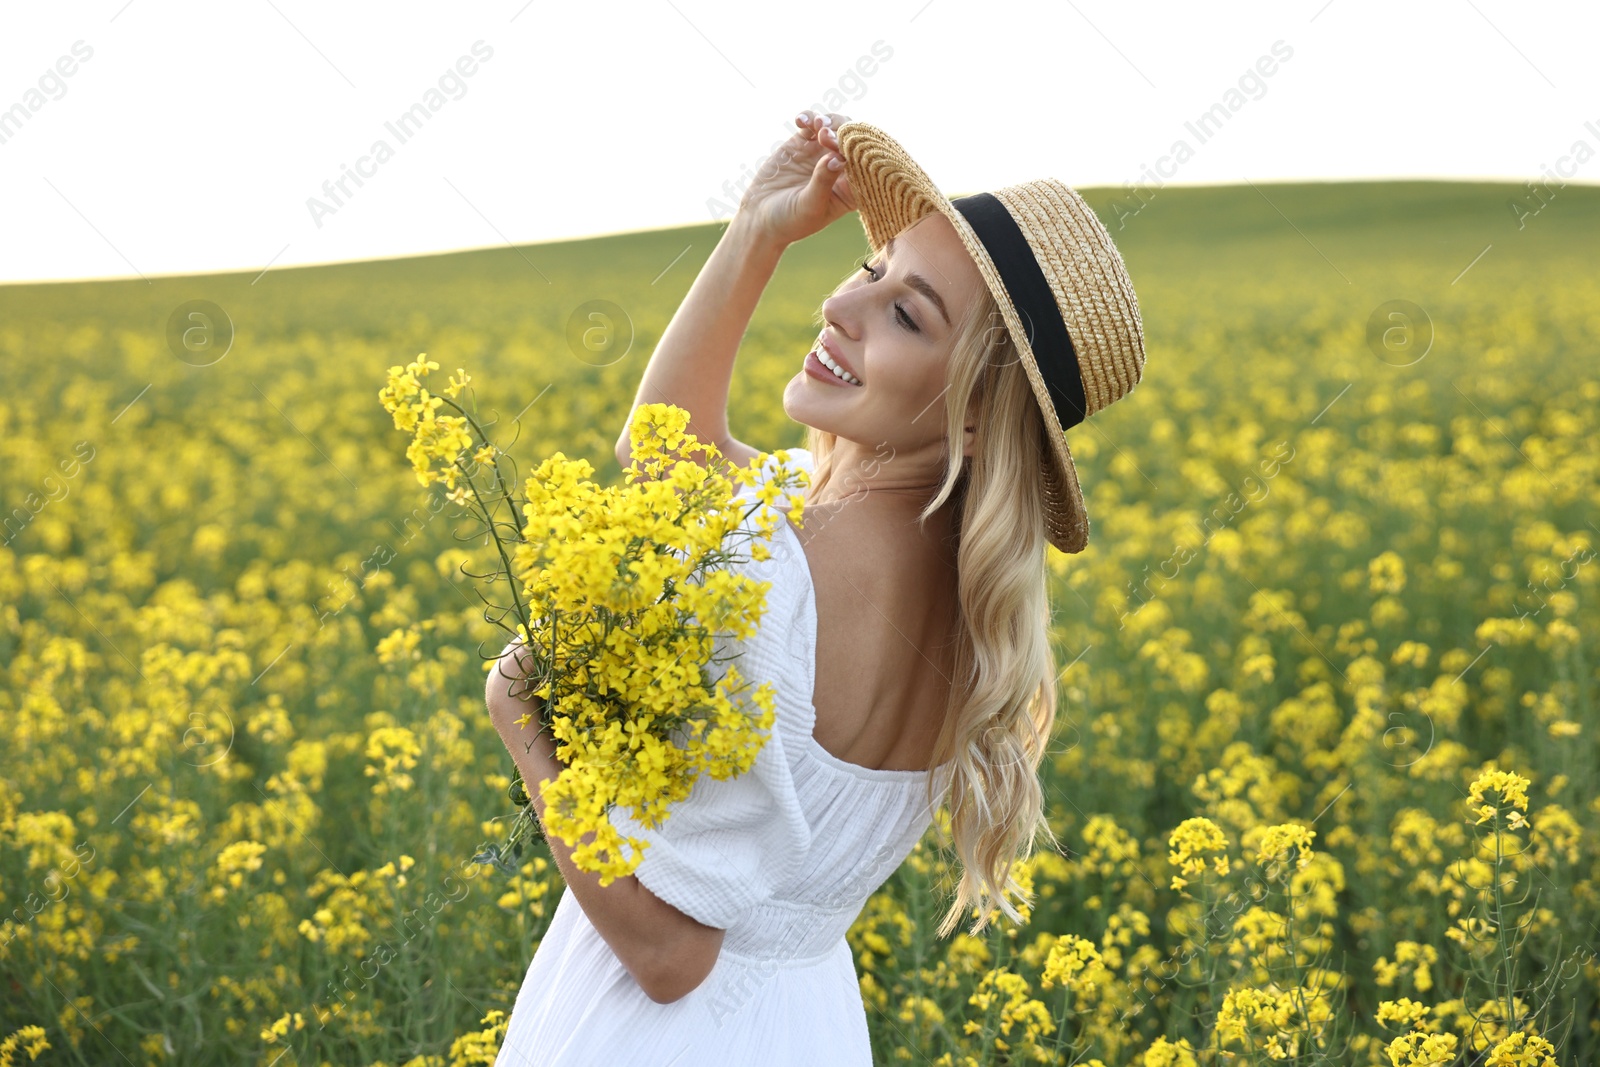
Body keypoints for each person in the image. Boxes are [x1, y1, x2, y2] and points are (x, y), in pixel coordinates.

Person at [484, 109, 1148, 1065]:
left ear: (969, 421)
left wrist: (524, 719)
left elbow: (669, 949)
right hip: (804, 1025)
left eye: (906, 314)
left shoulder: (772, 567)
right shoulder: (955, 607)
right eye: (871, 272)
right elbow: (669, 448)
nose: (843, 308)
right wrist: (759, 225)